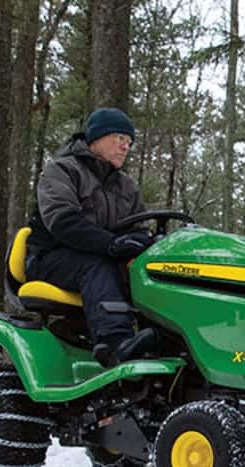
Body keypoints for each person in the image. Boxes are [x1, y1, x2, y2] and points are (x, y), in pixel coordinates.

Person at [25, 107, 157, 367]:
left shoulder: (126, 186)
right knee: (96, 265)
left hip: (103, 257)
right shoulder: (62, 171)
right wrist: (111, 243)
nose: (125, 146)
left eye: (129, 142)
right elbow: (63, 222)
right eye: (120, 138)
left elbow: (139, 228)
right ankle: (115, 343)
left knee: (148, 270)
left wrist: (142, 243)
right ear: (96, 137)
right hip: (51, 258)